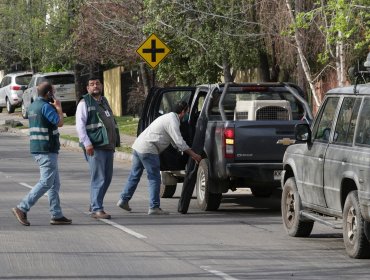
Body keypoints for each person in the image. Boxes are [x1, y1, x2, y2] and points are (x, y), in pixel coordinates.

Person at [117, 101, 202, 215]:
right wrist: (194, 155)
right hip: (149, 149)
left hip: (138, 146)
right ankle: (154, 207)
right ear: (183, 112)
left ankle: (124, 200)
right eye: (187, 111)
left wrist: (182, 150)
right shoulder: (173, 121)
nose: (187, 114)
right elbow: (179, 142)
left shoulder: (168, 117)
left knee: (134, 175)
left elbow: (174, 141)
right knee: (154, 178)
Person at [12, 81, 72, 226]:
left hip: (39, 149)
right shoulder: (46, 107)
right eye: (53, 92)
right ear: (49, 93)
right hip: (47, 150)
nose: (55, 94)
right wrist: (58, 108)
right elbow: (59, 123)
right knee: (46, 182)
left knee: (54, 184)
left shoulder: (33, 106)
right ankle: (22, 207)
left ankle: (56, 214)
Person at [76, 76, 120, 220]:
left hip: (107, 145)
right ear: (87, 88)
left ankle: (94, 202)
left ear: (101, 86)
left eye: (97, 83)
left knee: (107, 178)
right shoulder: (84, 103)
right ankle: (97, 209)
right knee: (99, 178)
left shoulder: (104, 101)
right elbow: (80, 126)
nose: (95, 86)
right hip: (95, 146)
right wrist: (87, 143)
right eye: (91, 84)